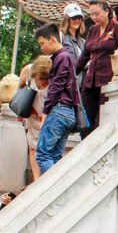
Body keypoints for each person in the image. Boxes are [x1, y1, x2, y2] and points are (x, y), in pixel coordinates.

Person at [77, 0, 118, 136]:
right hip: (90, 81)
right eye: (92, 14)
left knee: (103, 120)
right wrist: (71, 72)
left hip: (108, 80)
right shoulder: (93, 30)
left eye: (97, 14)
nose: (94, 17)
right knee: (85, 119)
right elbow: (85, 55)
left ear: (107, 11)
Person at [36, 22, 79, 174]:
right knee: (54, 156)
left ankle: (51, 190)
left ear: (53, 40)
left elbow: (56, 86)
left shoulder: (61, 57)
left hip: (59, 110)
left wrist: (45, 111)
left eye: (43, 43)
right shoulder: (67, 57)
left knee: (43, 154)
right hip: (68, 113)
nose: (42, 48)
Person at [19, 55, 52, 181]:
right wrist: (21, 109)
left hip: (46, 115)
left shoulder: (52, 77)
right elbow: (20, 87)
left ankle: (45, 178)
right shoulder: (28, 70)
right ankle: (36, 178)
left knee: (43, 148)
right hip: (31, 114)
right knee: (32, 147)